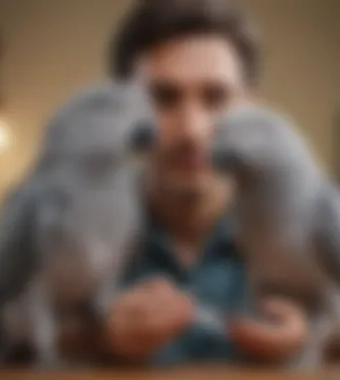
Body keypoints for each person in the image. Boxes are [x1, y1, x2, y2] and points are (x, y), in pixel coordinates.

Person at [101, 0, 309, 366]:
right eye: (163, 98)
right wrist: (95, 340)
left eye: (216, 98)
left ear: (251, 107)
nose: (192, 131)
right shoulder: (58, 228)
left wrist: (319, 340)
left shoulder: (312, 230)